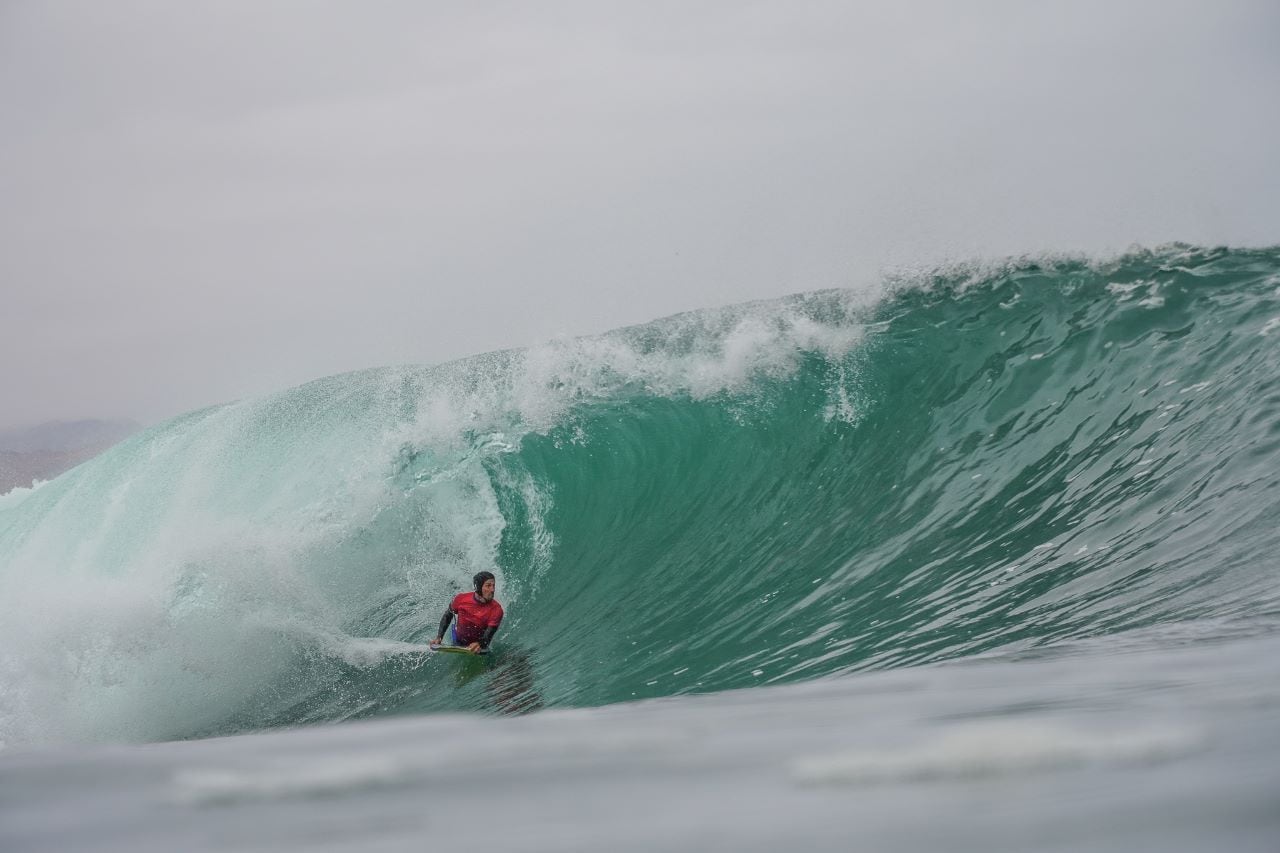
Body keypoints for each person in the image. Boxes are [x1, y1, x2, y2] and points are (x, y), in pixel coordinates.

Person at [433, 571, 504, 654]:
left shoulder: (496, 610)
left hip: (478, 644)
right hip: (458, 639)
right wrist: (439, 637)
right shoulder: (461, 599)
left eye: (493, 586)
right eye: (488, 586)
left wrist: (479, 644)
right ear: (479, 587)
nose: (492, 589)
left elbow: (488, 636)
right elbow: (448, 615)